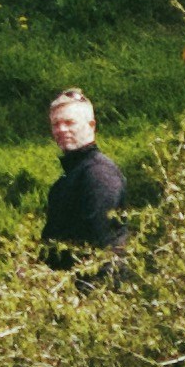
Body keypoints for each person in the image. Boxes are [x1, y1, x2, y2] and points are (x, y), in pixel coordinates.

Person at [42, 90, 129, 266]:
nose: (61, 129)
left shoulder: (99, 174)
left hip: (96, 286)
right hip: (64, 286)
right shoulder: (66, 181)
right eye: (55, 124)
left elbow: (99, 241)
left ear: (91, 125)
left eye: (69, 122)